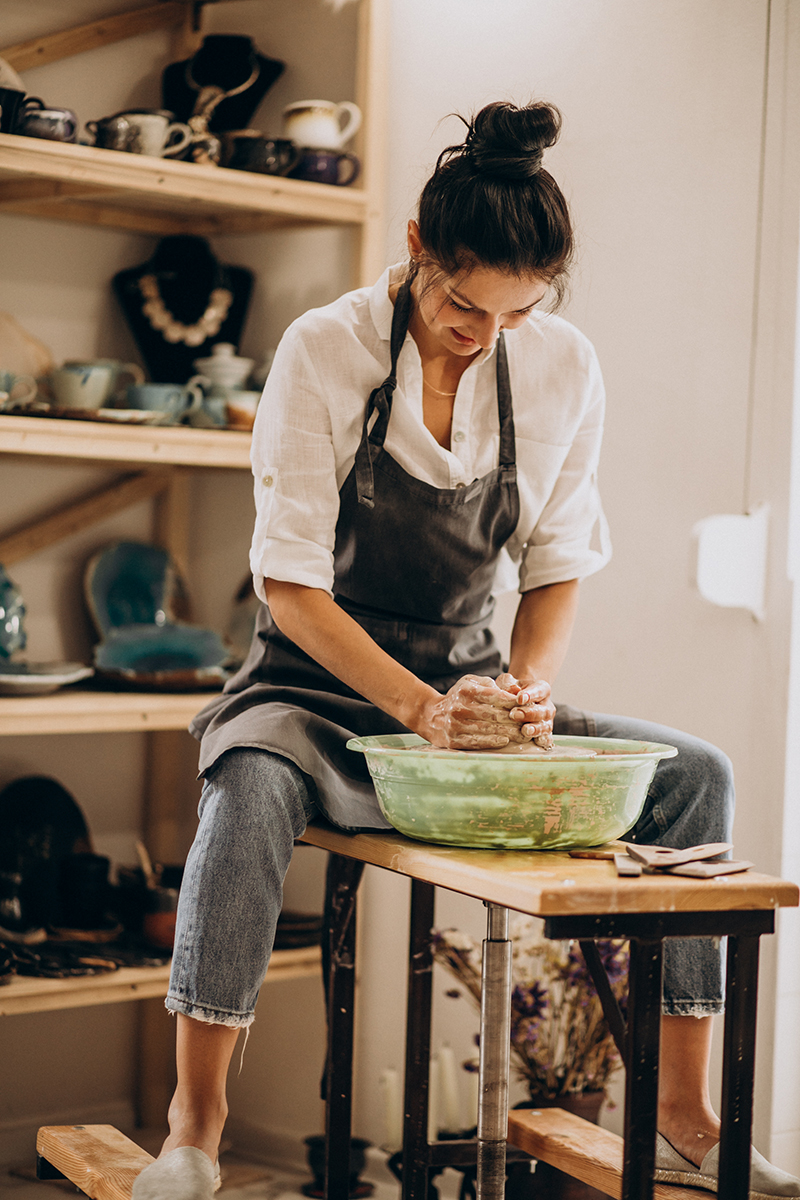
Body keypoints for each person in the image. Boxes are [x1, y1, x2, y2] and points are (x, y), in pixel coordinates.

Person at [132, 102, 800, 1200]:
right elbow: (289, 588)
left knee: (696, 779)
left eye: (517, 310)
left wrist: (524, 696)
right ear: (415, 249)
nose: (483, 332)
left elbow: (556, 564)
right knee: (245, 782)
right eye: (462, 304)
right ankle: (193, 1129)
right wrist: (418, 710)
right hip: (313, 689)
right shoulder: (325, 349)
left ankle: (682, 1114)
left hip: (466, 698)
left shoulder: (562, 365)